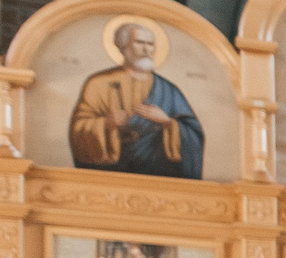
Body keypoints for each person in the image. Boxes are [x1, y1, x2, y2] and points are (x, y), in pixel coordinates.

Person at [69, 22, 205, 180]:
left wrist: (167, 122)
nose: (147, 50)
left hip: (157, 174)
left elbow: (194, 134)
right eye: (140, 43)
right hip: (109, 175)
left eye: (151, 44)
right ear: (123, 46)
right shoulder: (98, 83)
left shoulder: (168, 90)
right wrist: (107, 122)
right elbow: (78, 128)